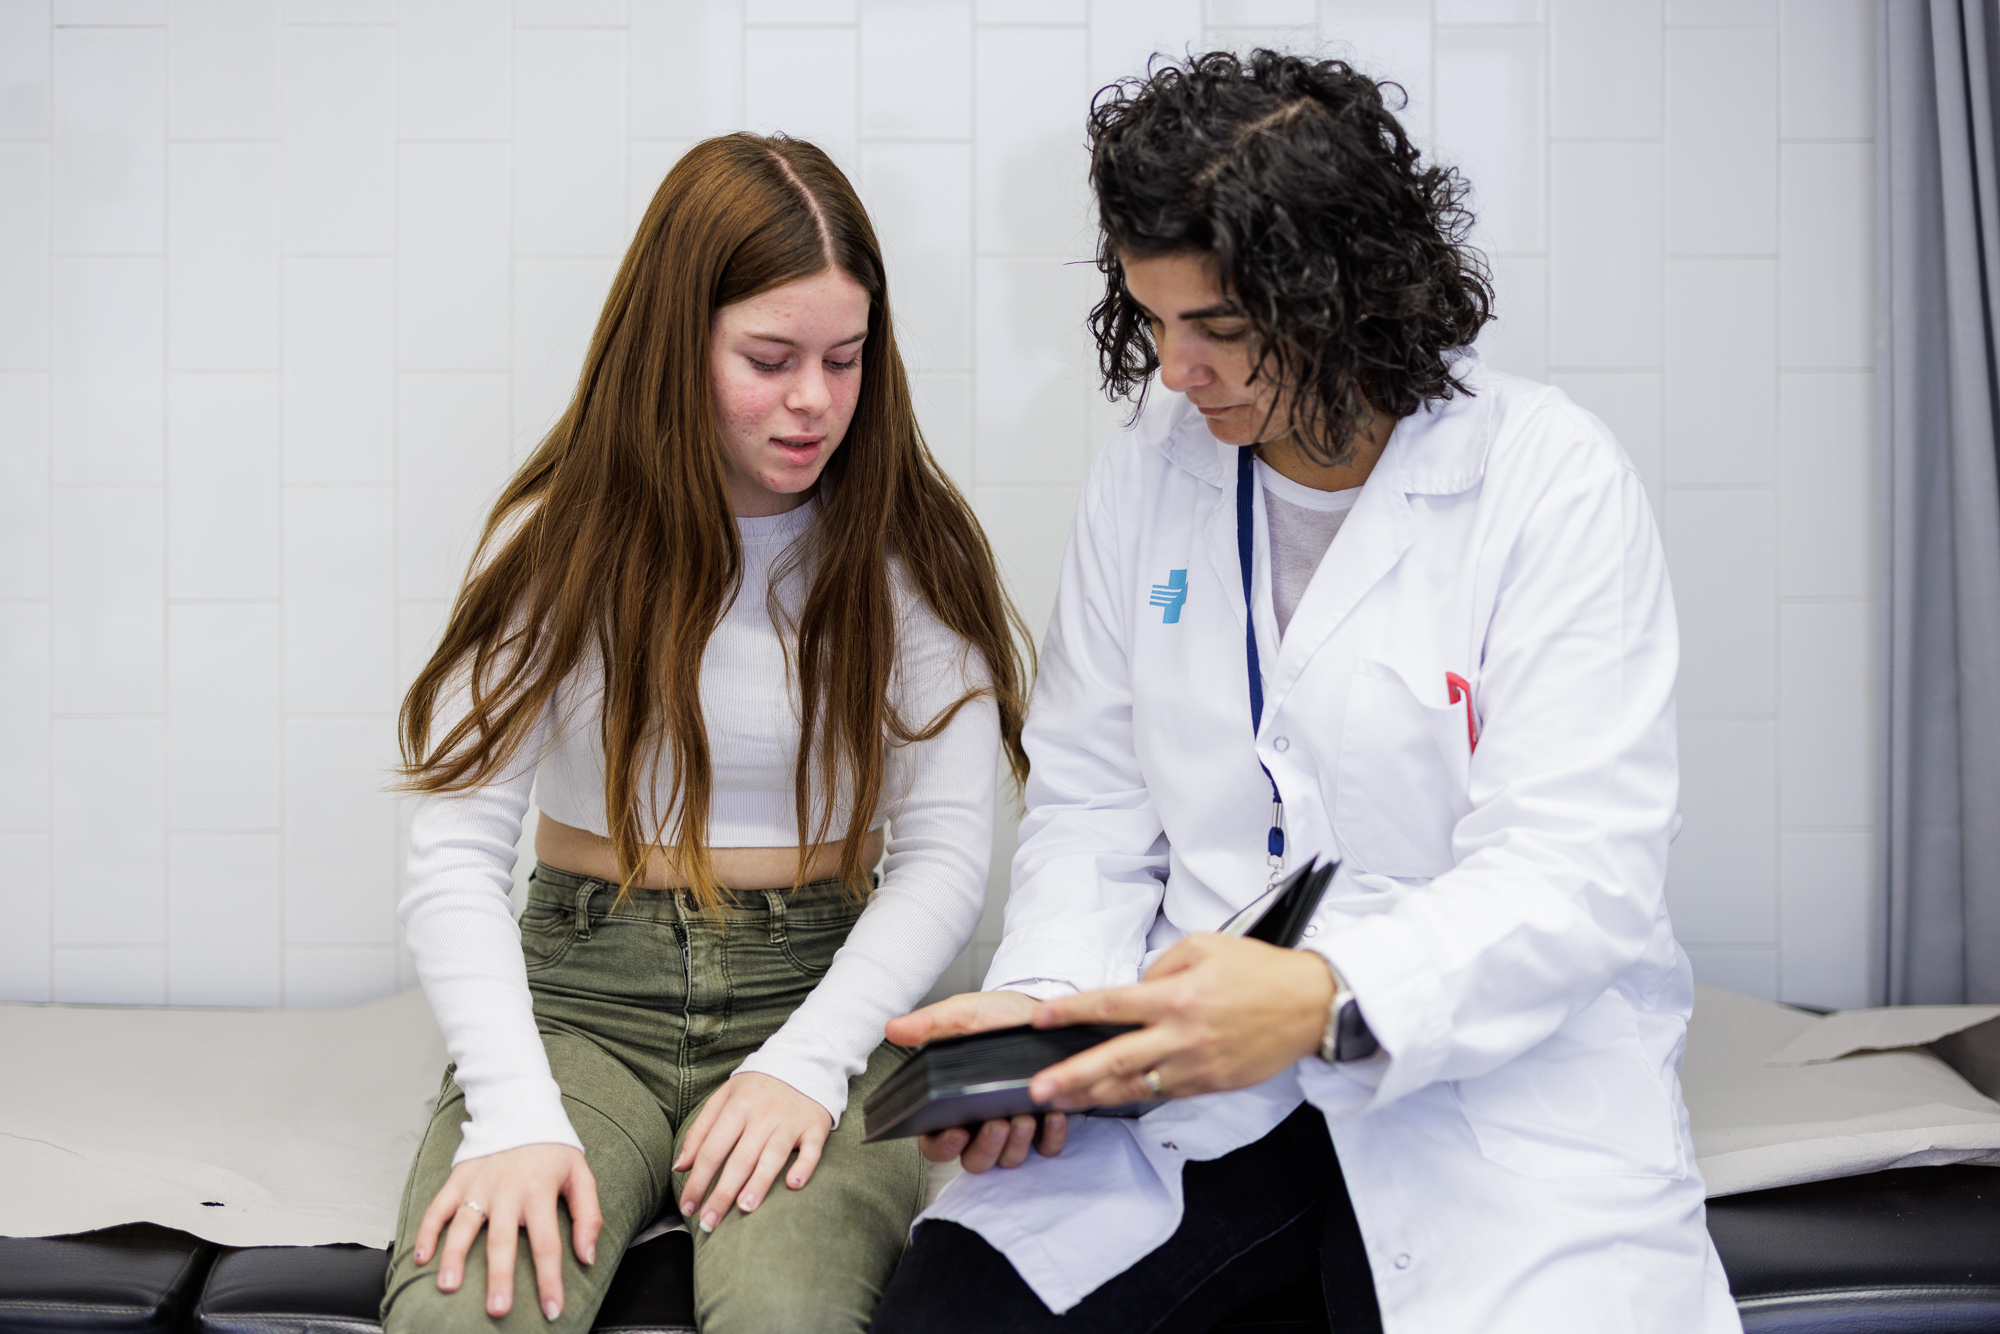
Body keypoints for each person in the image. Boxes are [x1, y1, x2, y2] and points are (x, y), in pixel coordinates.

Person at [874, 51, 1741, 1334]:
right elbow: (1092, 808)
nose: (1175, 370)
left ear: (1343, 291)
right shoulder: (1144, 482)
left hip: (1476, 1072)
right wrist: (1044, 1017)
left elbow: (1576, 871)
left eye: (1217, 328)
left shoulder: (1547, 482)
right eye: (1151, 319)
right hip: (1198, 1081)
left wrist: (1325, 993)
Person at [379, 133, 1028, 1334]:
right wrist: (514, 1107)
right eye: (769, 358)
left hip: (818, 983)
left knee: (792, 1316)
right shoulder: (548, 541)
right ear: (674, 343)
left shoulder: (911, 554)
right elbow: (454, 851)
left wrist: (808, 1061)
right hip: (585, 996)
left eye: (846, 358)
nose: (814, 401)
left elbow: (943, 855)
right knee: (465, 1318)